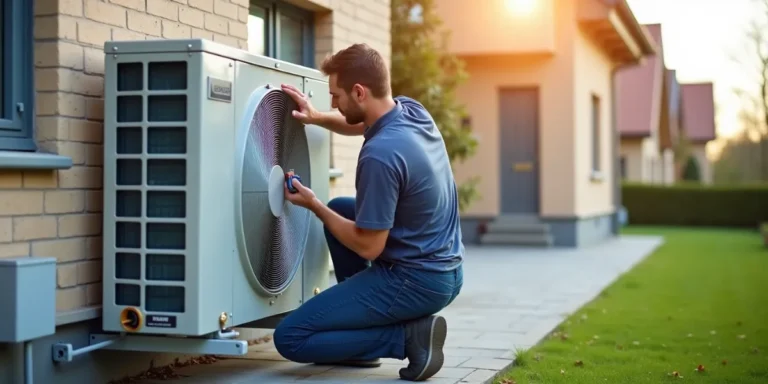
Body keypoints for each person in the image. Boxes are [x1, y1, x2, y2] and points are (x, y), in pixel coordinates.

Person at [273, 43, 465, 382]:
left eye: (335, 96)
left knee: (290, 337)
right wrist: (317, 117)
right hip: (447, 270)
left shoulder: (380, 156)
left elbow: (368, 247)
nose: (332, 103)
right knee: (341, 210)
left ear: (359, 92)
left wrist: (312, 204)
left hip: (415, 281)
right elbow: (358, 124)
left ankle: (407, 337)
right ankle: (361, 336)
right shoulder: (410, 111)